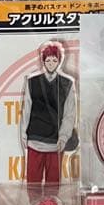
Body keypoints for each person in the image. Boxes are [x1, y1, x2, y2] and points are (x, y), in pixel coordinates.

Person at [21, 42, 76, 193]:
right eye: (48, 60)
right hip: (34, 140)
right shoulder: (32, 82)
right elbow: (26, 110)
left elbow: (69, 114)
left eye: (54, 60)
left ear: (59, 61)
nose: (51, 63)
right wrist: (23, 134)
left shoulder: (67, 84)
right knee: (33, 183)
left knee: (53, 183)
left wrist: (63, 137)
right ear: (43, 61)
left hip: (55, 142)